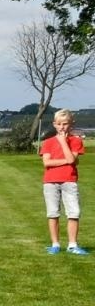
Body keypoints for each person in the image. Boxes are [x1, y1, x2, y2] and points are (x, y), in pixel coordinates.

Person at [42, 108, 85, 255]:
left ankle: (72, 245)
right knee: (53, 213)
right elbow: (47, 163)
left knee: (74, 213)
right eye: (59, 124)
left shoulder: (76, 141)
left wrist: (63, 142)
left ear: (71, 124)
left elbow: (72, 159)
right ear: (54, 124)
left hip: (69, 180)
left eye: (65, 124)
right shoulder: (47, 142)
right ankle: (55, 244)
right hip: (50, 181)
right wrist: (67, 161)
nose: (62, 127)